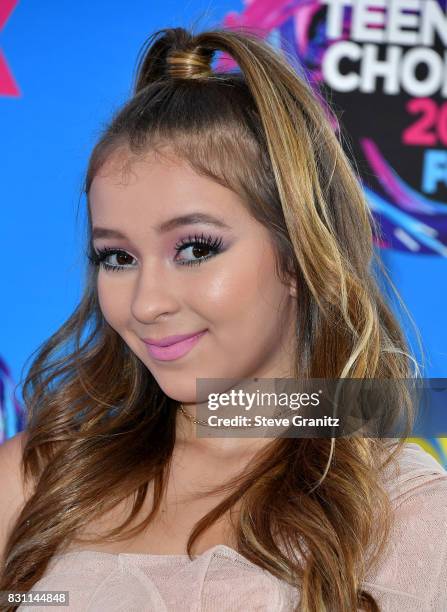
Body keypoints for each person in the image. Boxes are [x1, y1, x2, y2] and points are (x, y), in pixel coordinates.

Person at [0, 25, 446, 612]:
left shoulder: (407, 514)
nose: (145, 302)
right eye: (118, 257)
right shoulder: (41, 477)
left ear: (298, 252)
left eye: (196, 249)